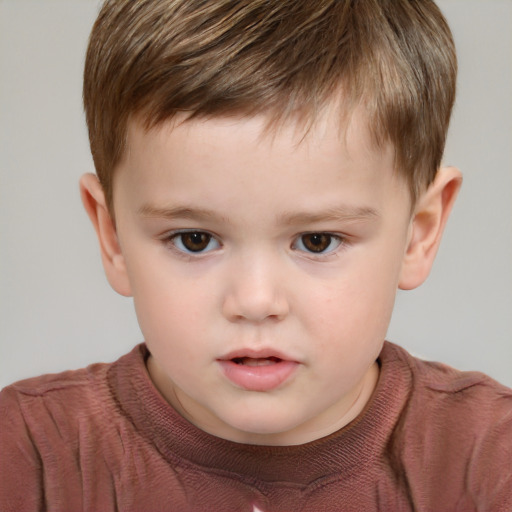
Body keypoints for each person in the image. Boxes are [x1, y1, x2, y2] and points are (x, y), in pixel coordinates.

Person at [0, 0, 510, 510]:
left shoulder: (489, 461)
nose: (255, 300)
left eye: (317, 241)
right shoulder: (27, 455)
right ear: (112, 234)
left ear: (418, 234)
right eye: (194, 239)